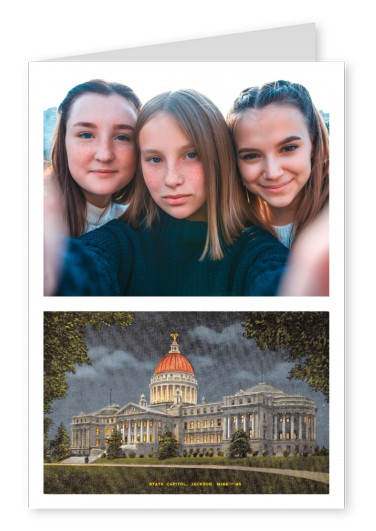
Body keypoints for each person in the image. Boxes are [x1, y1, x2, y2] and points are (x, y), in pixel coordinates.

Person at [48, 89, 289, 296]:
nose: (171, 179)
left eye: (191, 155)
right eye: (155, 159)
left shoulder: (257, 251)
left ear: (218, 157)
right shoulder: (122, 241)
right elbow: (85, 267)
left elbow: (280, 283)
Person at [227, 80, 329, 249]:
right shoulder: (232, 237)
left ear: (314, 145)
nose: (273, 172)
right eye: (251, 155)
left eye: (288, 148)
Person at [47, 79, 141, 237]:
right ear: (64, 142)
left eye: (122, 137)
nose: (104, 155)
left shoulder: (139, 227)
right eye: (86, 135)